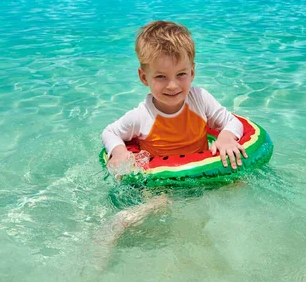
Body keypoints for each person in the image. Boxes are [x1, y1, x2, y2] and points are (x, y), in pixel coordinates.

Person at [102, 20, 247, 174]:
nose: (172, 85)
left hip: (204, 173)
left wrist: (226, 138)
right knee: (158, 199)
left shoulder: (200, 99)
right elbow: (109, 132)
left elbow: (232, 122)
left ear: (192, 72)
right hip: (161, 182)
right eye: (161, 76)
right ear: (144, 77)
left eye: (181, 74)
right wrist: (118, 151)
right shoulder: (141, 116)